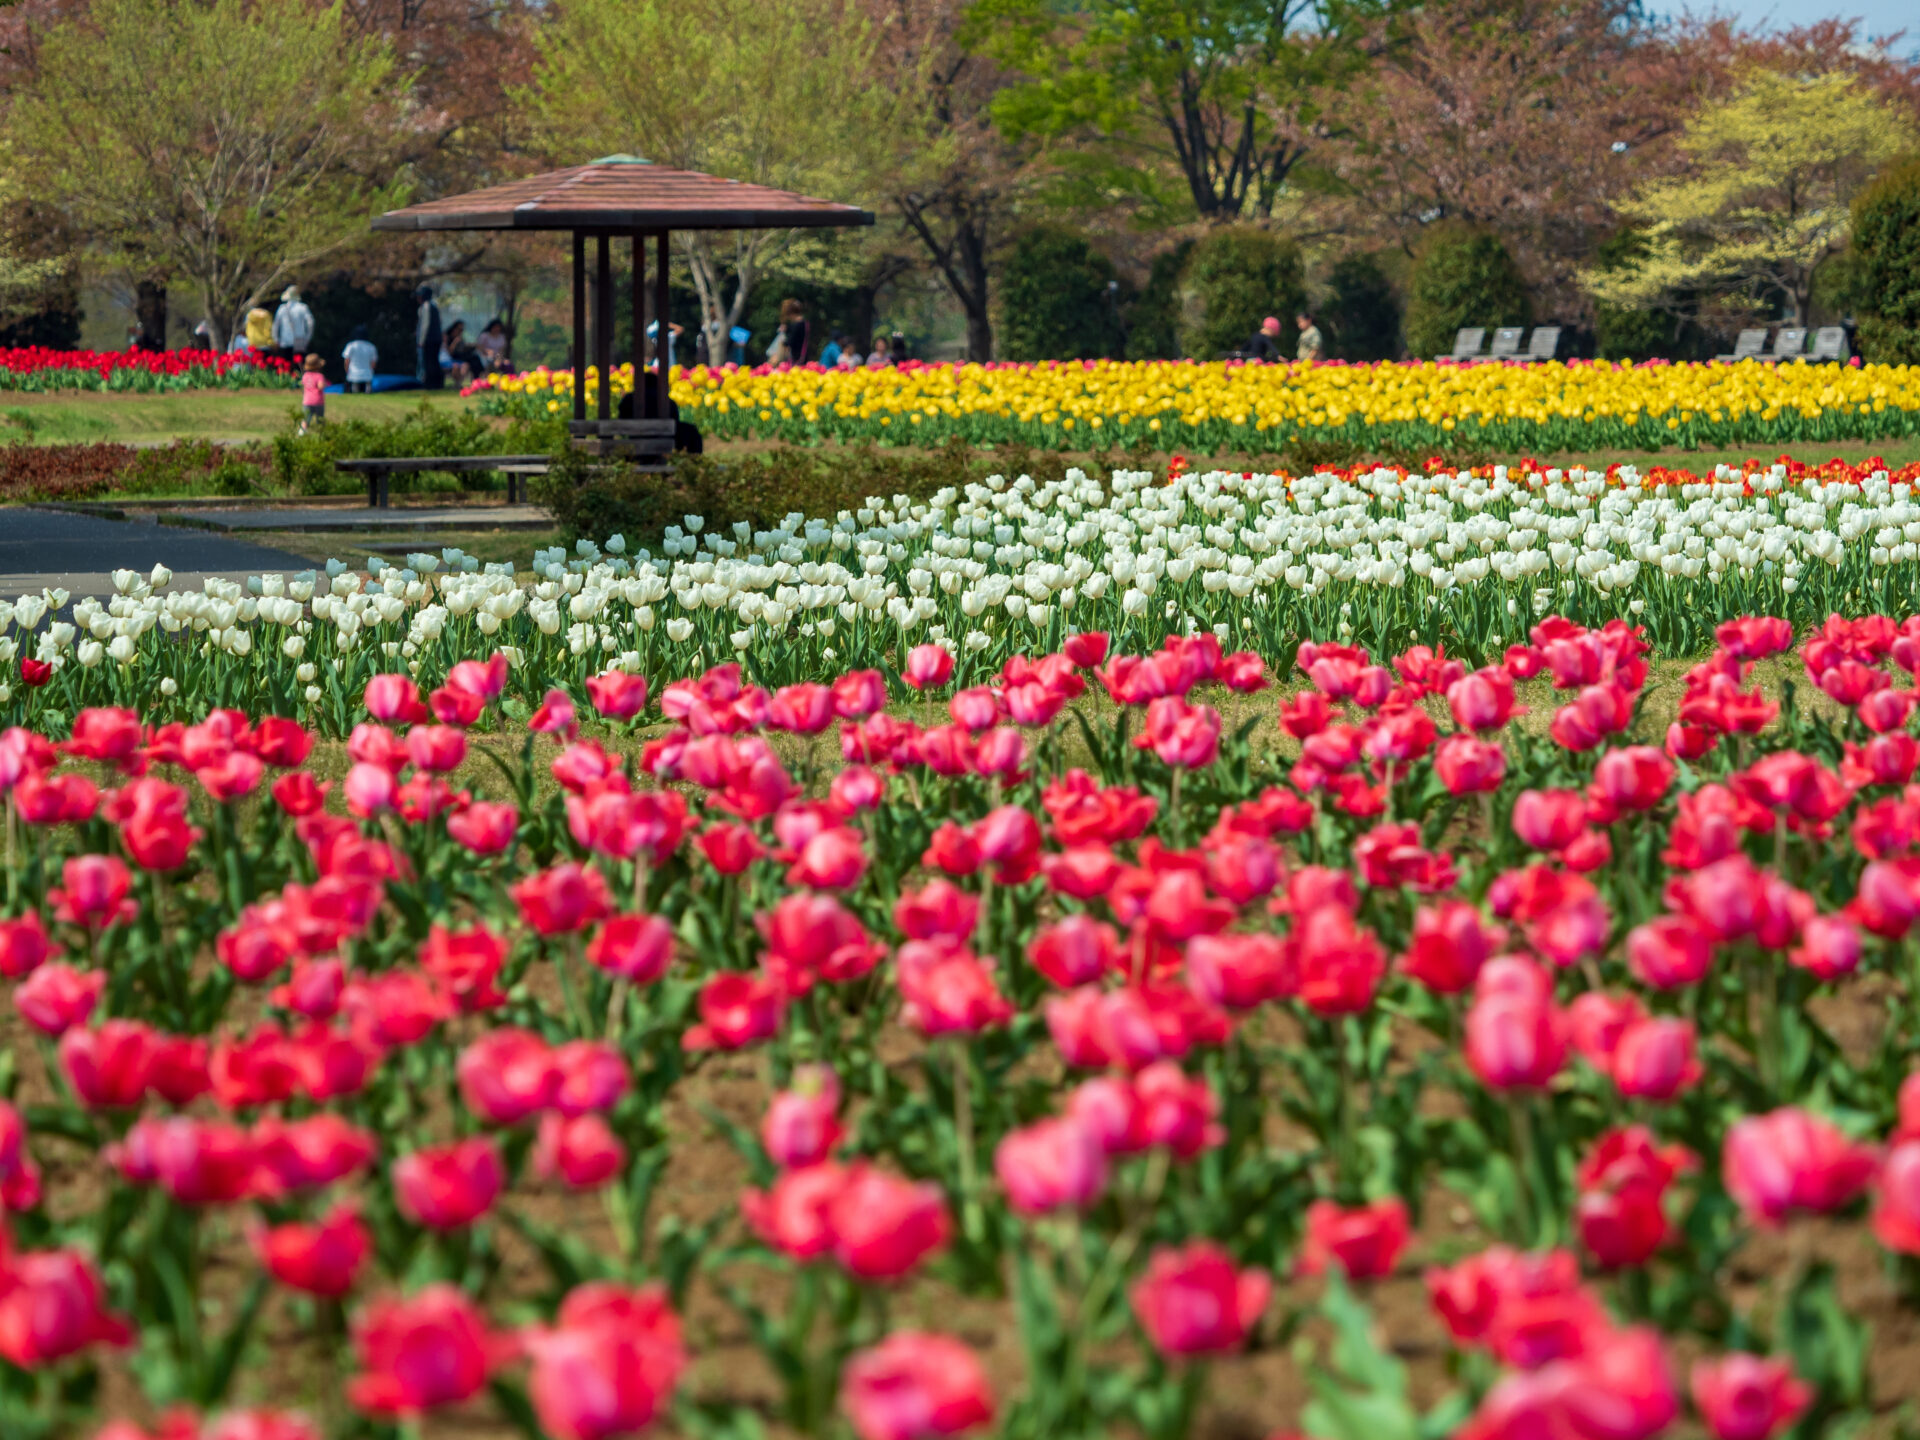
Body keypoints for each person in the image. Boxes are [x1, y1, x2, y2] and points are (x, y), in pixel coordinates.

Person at [616, 377, 703, 455]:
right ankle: (694, 459)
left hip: (633, 447)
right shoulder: (666, 401)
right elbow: (675, 421)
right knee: (690, 430)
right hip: (664, 447)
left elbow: (621, 421)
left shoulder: (628, 400)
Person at [273, 286, 314, 361]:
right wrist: (307, 338)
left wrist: (276, 340)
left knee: (286, 368)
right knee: (299, 367)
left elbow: (276, 325)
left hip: (284, 342)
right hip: (299, 342)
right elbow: (310, 323)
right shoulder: (303, 307)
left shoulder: (282, 308)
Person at [415, 285, 443, 390]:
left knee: (429, 361)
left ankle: (431, 384)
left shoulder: (426, 306)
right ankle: (437, 383)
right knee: (434, 361)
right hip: (437, 338)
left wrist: (421, 340)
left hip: (429, 339)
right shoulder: (435, 305)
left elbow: (425, 325)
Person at [341, 325, 377, 393]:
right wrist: (371, 372)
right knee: (368, 388)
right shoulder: (371, 346)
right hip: (367, 374)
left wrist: (346, 370)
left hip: (353, 373)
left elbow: (346, 360)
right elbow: (373, 362)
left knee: (354, 387)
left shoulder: (351, 345)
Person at [444, 320, 481, 385]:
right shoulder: (447, 337)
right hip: (452, 357)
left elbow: (463, 348)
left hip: (462, 356)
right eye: (459, 329)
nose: (461, 331)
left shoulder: (460, 337)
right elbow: (450, 352)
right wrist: (455, 342)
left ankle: (476, 381)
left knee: (475, 359)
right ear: (454, 328)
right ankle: (474, 381)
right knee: (471, 361)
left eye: (462, 329)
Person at [298, 353, 327, 433]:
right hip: (318, 401)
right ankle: (321, 431)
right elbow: (320, 386)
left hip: (307, 401)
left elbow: (304, 385)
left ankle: (302, 431)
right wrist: (324, 384)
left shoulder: (305, 375)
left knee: (306, 418)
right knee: (320, 418)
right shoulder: (319, 376)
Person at [779, 298, 810, 364]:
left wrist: (784, 335)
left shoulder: (797, 325)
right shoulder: (805, 323)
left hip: (797, 358)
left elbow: (790, 341)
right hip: (804, 355)